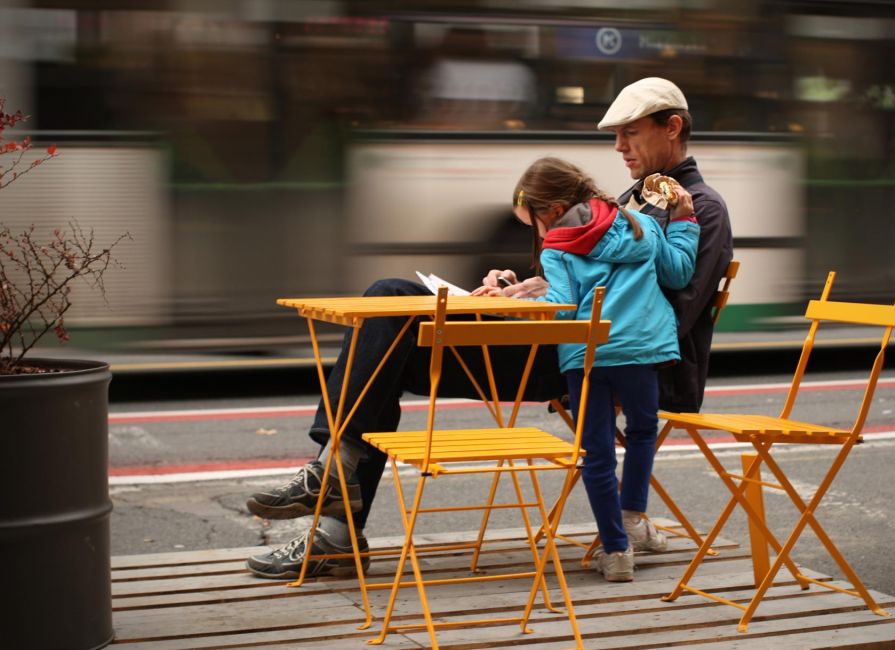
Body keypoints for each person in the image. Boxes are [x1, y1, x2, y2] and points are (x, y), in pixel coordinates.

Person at [244, 77, 733, 579]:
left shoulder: (697, 208)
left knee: (390, 304)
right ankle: (336, 512)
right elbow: (597, 282)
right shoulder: (636, 201)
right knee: (387, 325)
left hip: (595, 362)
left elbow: (671, 314)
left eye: (629, 132)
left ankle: (332, 503)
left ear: (672, 127)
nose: (618, 146)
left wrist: (547, 314)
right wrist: (525, 290)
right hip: (565, 342)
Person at [495, 156, 699, 581]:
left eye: (533, 223)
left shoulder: (559, 244)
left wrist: (509, 303)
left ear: (552, 210)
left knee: (596, 453)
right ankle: (631, 517)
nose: (538, 233)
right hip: (642, 352)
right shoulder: (637, 224)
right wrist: (683, 220)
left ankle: (617, 551)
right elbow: (679, 273)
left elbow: (562, 312)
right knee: (643, 432)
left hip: (588, 358)